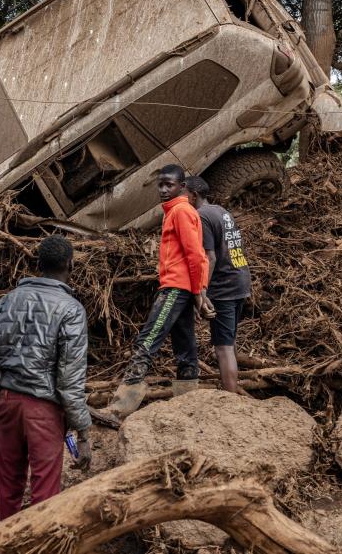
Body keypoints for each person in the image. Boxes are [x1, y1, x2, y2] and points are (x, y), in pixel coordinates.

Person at [0, 235, 92, 521]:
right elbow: (69, 376)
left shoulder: (6, 302)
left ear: (38, 264)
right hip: (44, 411)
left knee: (8, 494)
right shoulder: (71, 309)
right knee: (45, 497)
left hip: (5, 403)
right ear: (70, 264)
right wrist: (83, 431)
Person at [102, 164, 210, 419]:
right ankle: (188, 401)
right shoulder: (176, 211)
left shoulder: (181, 211)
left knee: (147, 341)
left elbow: (196, 255)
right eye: (160, 184)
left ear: (182, 187)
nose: (163, 189)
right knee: (185, 344)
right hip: (182, 287)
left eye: (168, 185)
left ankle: (120, 408)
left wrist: (198, 292)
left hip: (176, 288)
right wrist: (198, 291)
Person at [185, 176, 251, 394]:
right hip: (240, 279)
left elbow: (210, 257)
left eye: (184, 194)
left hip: (225, 286)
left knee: (223, 347)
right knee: (228, 343)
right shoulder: (221, 211)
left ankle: (230, 400)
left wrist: (201, 291)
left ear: (193, 196)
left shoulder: (200, 215)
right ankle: (232, 390)